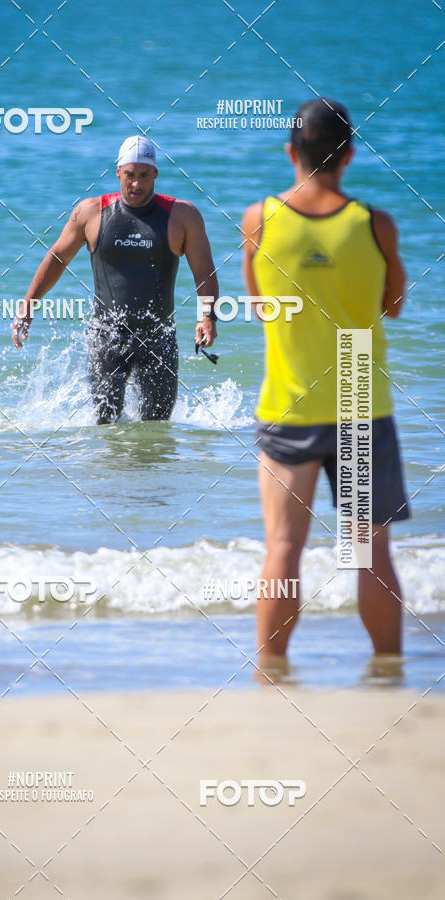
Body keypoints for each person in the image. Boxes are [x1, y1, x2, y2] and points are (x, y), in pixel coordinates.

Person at [241, 98, 410, 660]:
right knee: (368, 550)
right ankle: (389, 672)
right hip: (361, 399)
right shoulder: (374, 224)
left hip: (289, 404)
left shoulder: (259, 219)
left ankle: (270, 671)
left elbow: (261, 303)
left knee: (283, 547)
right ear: (349, 157)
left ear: (291, 152)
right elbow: (395, 304)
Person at [12, 135, 219, 423]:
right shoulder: (90, 213)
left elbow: (204, 272)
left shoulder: (182, 216)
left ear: (155, 173)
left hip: (158, 337)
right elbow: (58, 258)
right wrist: (28, 305)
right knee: (106, 422)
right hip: (106, 335)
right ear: (118, 172)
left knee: (156, 428)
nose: (136, 184)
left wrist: (207, 316)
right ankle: (110, 469)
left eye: (144, 175)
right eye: (130, 175)